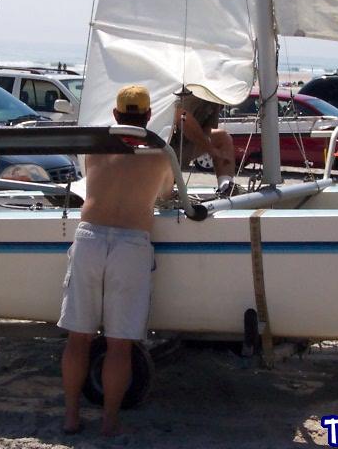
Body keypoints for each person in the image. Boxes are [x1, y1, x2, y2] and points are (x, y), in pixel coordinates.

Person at [59, 84, 174, 437]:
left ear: (115, 114)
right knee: (120, 344)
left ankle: (71, 417)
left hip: (91, 235)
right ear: (149, 115)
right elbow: (166, 195)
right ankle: (109, 421)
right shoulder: (160, 153)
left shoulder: (95, 150)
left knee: (79, 338)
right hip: (130, 243)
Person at [170, 90, 235, 195]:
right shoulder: (187, 92)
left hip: (186, 145)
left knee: (223, 138)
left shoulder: (215, 98)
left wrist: (214, 150)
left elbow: (207, 130)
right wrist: (210, 149)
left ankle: (226, 187)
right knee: (164, 193)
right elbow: (182, 117)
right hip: (166, 145)